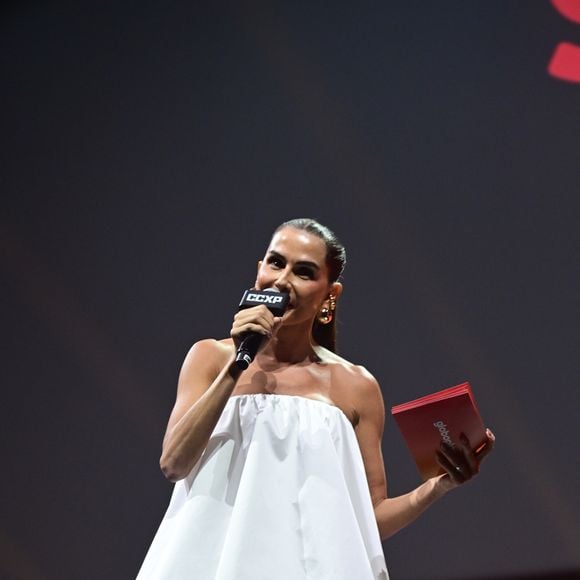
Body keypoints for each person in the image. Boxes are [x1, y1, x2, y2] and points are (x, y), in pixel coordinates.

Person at [136, 218, 495, 580]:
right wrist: (238, 362)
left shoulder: (356, 386)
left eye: (304, 272)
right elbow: (174, 463)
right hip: (208, 564)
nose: (282, 280)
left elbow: (366, 520)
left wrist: (438, 486)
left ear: (329, 295)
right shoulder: (210, 357)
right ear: (258, 270)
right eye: (276, 262)